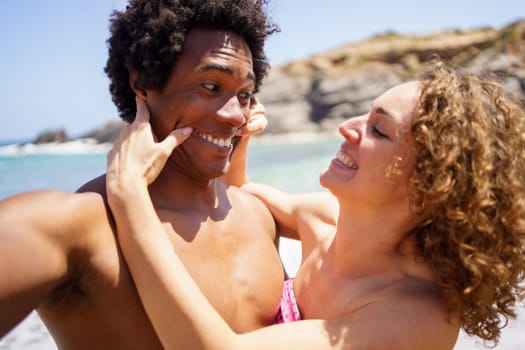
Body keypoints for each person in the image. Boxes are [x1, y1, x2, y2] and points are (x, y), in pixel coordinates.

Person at [106, 60, 525, 349]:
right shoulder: (324, 220)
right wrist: (237, 142)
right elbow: (245, 196)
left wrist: (129, 197)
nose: (347, 128)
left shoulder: (410, 317)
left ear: (430, 185)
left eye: (378, 129)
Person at [0, 1, 284, 348]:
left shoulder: (259, 216)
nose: (235, 115)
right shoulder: (75, 226)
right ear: (143, 83)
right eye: (210, 87)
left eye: (244, 95)